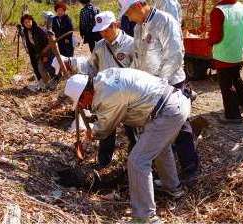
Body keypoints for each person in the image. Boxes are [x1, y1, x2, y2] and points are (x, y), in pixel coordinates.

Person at [64, 68, 191, 223]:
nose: (83, 106)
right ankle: (173, 188)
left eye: (81, 102)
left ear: (86, 93)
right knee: (159, 149)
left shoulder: (108, 93)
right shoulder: (104, 79)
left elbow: (106, 127)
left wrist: (92, 134)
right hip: (173, 104)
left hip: (168, 111)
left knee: (137, 161)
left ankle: (145, 217)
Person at [119, 0, 200, 184]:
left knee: (180, 125)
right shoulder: (139, 28)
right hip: (150, 86)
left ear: (138, 6)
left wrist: (160, 83)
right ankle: (164, 173)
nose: (128, 18)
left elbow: (175, 55)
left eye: (129, 13)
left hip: (170, 83)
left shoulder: (165, 21)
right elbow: (139, 59)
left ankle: (190, 167)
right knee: (156, 128)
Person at [53, 11, 136, 168]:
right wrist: (72, 63)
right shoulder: (99, 46)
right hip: (106, 96)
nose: (103, 34)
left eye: (106, 30)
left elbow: (139, 71)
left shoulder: (131, 44)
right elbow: (91, 68)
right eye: (100, 31)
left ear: (115, 25)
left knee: (133, 130)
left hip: (129, 97)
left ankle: (133, 163)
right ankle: (103, 162)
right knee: (106, 132)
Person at [209, 0, 243, 124]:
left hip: (224, 54)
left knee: (226, 84)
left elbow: (216, 36)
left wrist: (208, 41)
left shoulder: (219, 10)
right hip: (238, 51)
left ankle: (233, 115)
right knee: (236, 76)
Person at [21, 14, 57, 91]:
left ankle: (55, 83)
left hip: (47, 52)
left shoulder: (38, 30)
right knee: (40, 69)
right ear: (23, 24)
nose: (28, 24)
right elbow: (30, 45)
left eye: (29, 21)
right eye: (25, 22)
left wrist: (45, 56)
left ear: (32, 21)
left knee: (50, 68)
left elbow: (47, 43)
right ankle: (47, 85)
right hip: (38, 53)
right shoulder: (26, 31)